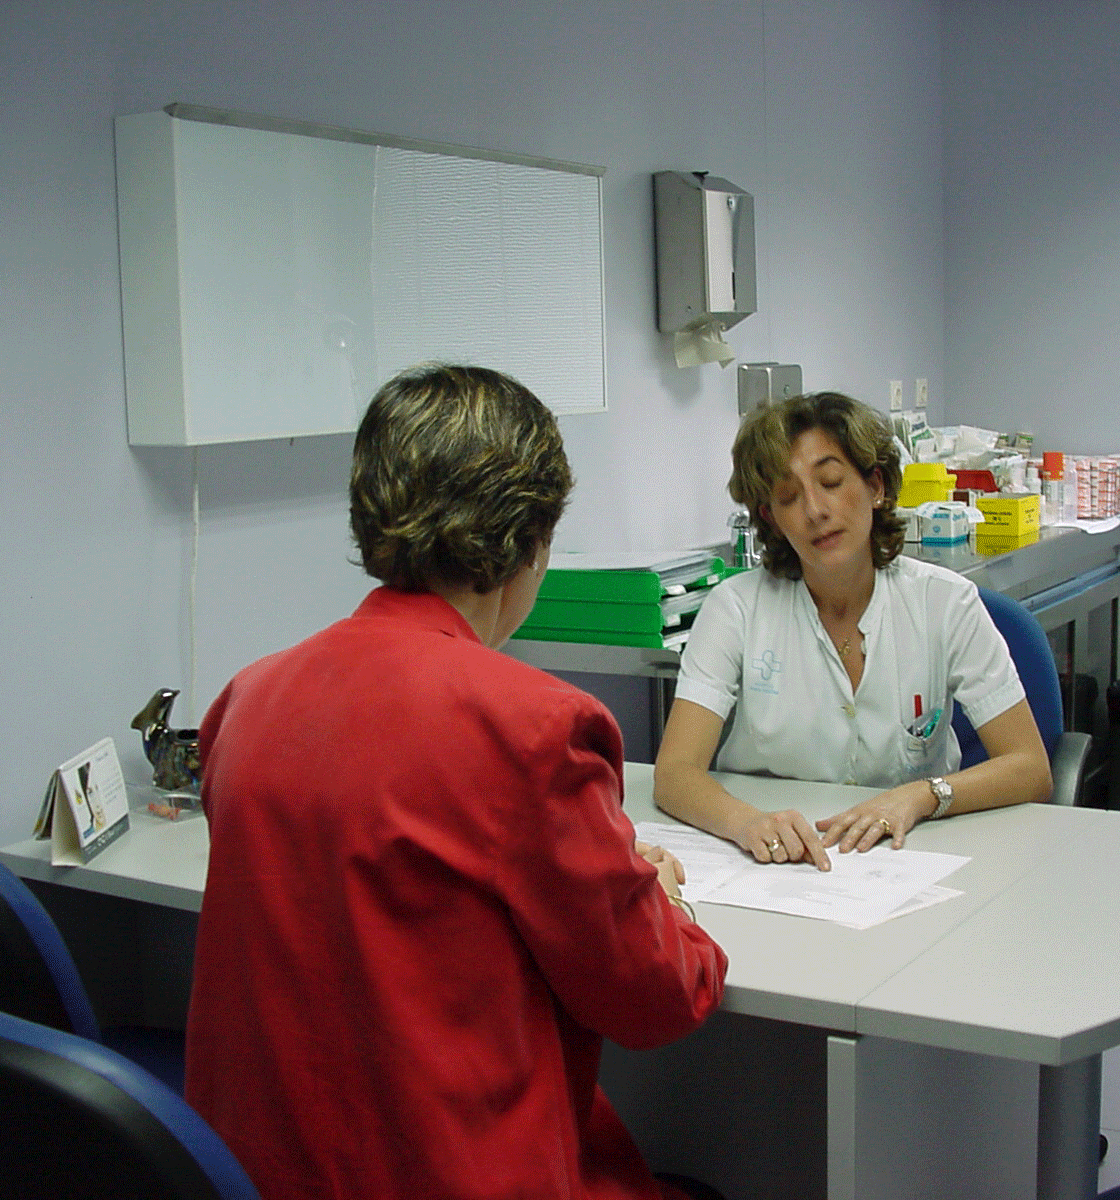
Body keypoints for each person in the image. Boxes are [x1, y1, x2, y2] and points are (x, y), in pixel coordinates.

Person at [184, 364, 729, 1200]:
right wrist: (663, 903)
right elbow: (651, 998)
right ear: (532, 539)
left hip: (267, 1176)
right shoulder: (536, 728)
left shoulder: (246, 698)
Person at [654, 391, 1052, 870]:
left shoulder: (945, 604)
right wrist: (748, 823)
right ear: (771, 520)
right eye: (788, 497)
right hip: (773, 867)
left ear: (875, 485)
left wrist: (922, 796)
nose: (815, 510)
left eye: (831, 481)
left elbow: (1030, 766)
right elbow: (675, 773)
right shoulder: (735, 609)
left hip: (909, 860)